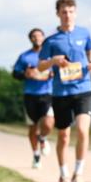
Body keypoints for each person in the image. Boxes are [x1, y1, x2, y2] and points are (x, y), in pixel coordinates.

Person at [37, 0, 91, 182]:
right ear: (58, 14)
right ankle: (63, 174)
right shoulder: (51, 40)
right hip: (61, 92)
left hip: (83, 88)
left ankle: (78, 174)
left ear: (75, 12)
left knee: (82, 130)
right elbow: (40, 65)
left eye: (71, 11)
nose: (67, 15)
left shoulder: (84, 33)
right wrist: (53, 60)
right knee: (63, 135)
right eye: (64, 12)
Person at [13, 28, 54, 168]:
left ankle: (42, 138)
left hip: (47, 93)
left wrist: (53, 75)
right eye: (34, 36)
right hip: (30, 95)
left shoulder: (50, 55)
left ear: (43, 38)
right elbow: (15, 73)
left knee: (48, 123)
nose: (37, 38)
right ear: (30, 39)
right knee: (33, 127)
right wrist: (25, 74)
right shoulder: (25, 56)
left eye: (39, 36)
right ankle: (36, 155)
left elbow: (59, 70)